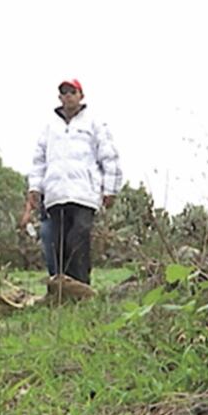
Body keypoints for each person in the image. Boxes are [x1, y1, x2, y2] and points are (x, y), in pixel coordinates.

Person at [27, 78, 122, 285]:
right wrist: (35, 187)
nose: (68, 96)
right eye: (64, 92)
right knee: (59, 243)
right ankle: (64, 289)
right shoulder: (50, 127)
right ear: (59, 97)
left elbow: (109, 156)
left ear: (81, 96)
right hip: (56, 194)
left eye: (72, 92)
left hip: (84, 194)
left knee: (78, 237)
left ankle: (82, 286)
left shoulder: (94, 123)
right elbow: (39, 159)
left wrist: (110, 189)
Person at [19, 193, 57, 276]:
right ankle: (55, 279)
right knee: (49, 253)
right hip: (47, 215)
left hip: (74, 209)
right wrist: (28, 211)